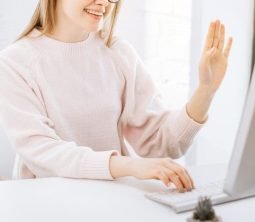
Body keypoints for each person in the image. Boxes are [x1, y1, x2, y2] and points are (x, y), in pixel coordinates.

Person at [0, 0, 233, 192]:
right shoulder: (15, 63)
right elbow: (45, 154)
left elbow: (163, 144)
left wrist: (205, 90)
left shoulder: (118, 53)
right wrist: (129, 166)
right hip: (47, 208)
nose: (104, 3)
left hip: (113, 202)